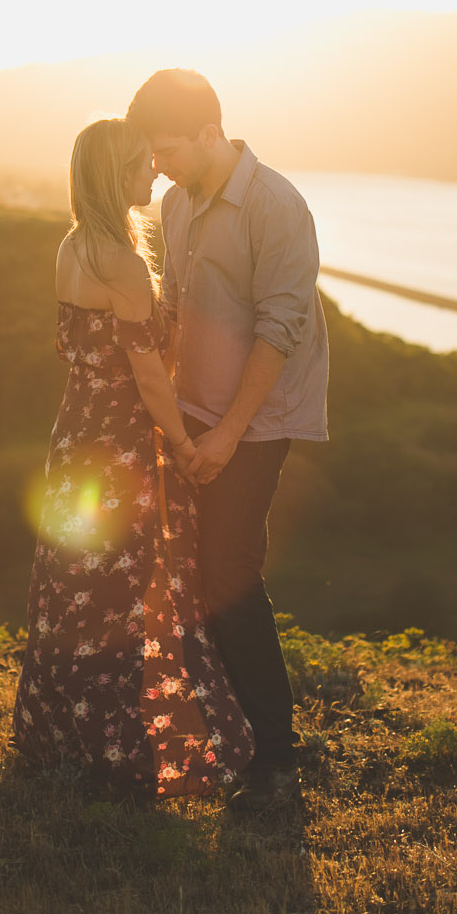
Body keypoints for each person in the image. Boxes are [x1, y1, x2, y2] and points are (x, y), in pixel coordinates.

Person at [11, 117, 254, 800]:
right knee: (118, 591)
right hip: (116, 441)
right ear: (119, 174)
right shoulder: (119, 259)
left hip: (75, 433)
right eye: (144, 163)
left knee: (73, 585)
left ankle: (59, 733)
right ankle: (114, 747)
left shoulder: (74, 246)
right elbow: (148, 376)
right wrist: (184, 444)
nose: (155, 171)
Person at [126, 69, 329, 814]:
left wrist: (229, 436)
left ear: (211, 133)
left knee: (228, 574)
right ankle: (235, 735)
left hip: (256, 422)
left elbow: (281, 329)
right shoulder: (177, 202)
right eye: (151, 154)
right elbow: (178, 308)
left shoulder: (276, 205)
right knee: (197, 575)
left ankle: (275, 755)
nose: (158, 167)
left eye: (168, 149)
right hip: (196, 416)